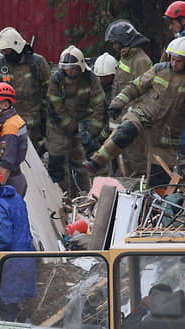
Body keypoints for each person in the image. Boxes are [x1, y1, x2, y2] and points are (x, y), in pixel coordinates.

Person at [86, 38, 185, 188]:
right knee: (126, 131)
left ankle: (151, 205)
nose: (174, 64)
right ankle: (95, 162)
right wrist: (117, 103)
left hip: (165, 136)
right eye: (172, 59)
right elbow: (135, 87)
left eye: (179, 61)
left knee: (159, 182)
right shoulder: (159, 70)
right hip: (143, 115)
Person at [46, 46, 105, 196]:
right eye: (66, 68)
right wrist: (70, 126)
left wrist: (92, 131)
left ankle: (82, 195)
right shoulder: (56, 80)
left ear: (80, 66)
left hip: (82, 123)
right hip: (58, 126)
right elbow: (55, 106)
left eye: (72, 68)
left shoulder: (91, 79)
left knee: (80, 163)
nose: (69, 71)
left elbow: (99, 105)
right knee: (57, 161)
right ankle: (60, 196)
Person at [0, 27, 51, 149]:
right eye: (3, 51)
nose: (5, 54)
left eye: (7, 50)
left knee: (31, 157)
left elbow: (50, 90)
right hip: (7, 122)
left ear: (17, 47)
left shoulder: (37, 63)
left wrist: (46, 117)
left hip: (33, 122)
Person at [105, 19, 152, 175]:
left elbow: (144, 92)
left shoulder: (141, 61)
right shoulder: (126, 58)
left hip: (134, 122)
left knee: (138, 161)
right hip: (124, 120)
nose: (114, 46)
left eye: (116, 42)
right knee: (125, 160)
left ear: (124, 41)